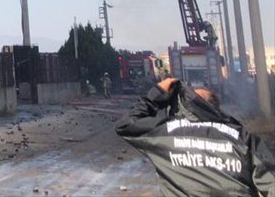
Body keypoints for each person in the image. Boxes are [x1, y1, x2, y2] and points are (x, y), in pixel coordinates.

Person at [115, 77, 275, 196]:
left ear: (181, 105)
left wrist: (157, 94)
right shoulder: (242, 138)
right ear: (215, 107)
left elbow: (126, 124)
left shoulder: (164, 132)